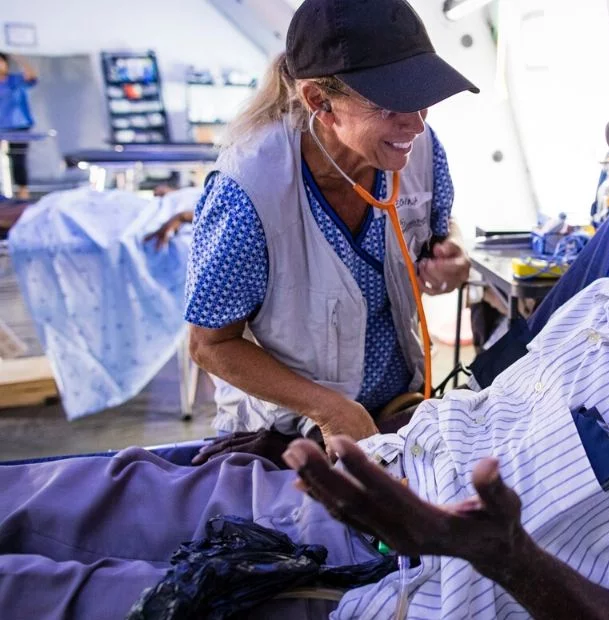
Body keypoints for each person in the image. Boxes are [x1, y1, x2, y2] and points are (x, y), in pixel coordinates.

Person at [0, 116, 609, 620]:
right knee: (70, 496)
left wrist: (503, 555)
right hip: (349, 479)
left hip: (386, 584)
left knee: (45, 596)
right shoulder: (599, 303)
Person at [184, 0, 477, 465]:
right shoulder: (250, 192)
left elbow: (440, 227)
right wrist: (327, 408)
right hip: (287, 435)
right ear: (320, 101)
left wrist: (453, 253)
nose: (416, 124)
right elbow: (210, 344)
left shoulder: (418, 150)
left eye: (423, 98)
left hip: (393, 413)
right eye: (391, 105)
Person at [0, 52, 38, 201]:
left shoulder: (15, 80)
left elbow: (31, 77)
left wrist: (18, 56)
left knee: (18, 160)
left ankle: (22, 191)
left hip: (18, 126)